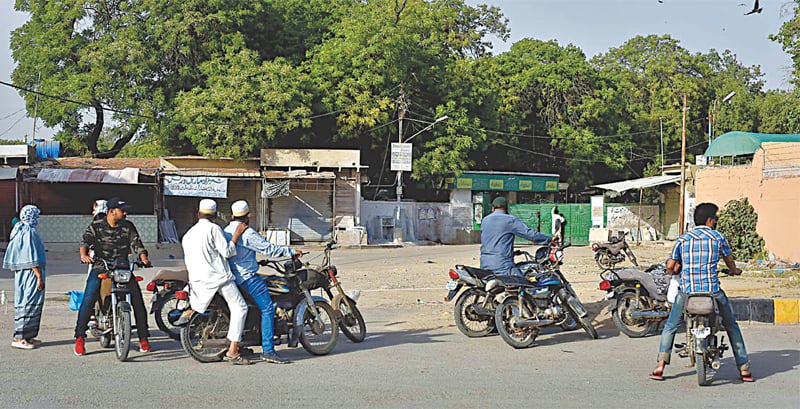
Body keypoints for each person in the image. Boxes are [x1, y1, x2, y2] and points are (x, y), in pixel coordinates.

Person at [649, 202, 753, 382]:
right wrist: (735, 271)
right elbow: (730, 263)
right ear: (710, 220)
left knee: (671, 326)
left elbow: (671, 266)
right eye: (716, 218)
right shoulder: (718, 238)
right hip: (712, 291)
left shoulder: (683, 239)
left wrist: (674, 269)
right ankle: (743, 368)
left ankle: (660, 366)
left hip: (688, 291)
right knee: (731, 325)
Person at [224, 200, 300, 364]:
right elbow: (269, 249)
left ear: (232, 216)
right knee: (267, 308)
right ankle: (268, 350)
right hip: (247, 278)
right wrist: (291, 251)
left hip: (232, 277)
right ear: (248, 216)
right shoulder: (247, 232)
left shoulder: (226, 230)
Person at [74, 197, 153, 356]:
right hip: (100, 266)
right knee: (88, 298)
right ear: (111, 211)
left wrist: (143, 258)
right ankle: (80, 337)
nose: (125, 213)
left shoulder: (128, 226)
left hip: (122, 267)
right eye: (122, 210)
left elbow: (137, 244)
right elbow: (85, 241)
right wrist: (83, 255)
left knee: (137, 301)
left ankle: (143, 337)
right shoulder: (96, 226)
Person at [181, 199, 251, 365]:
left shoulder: (189, 234)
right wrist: (236, 235)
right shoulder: (214, 229)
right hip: (218, 279)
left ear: (198, 214)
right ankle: (233, 351)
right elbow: (227, 252)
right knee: (240, 307)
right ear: (214, 216)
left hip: (197, 280)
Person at [3, 205, 46, 350]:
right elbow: (30, 255)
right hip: (30, 273)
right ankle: (20, 337)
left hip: (23, 273)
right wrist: (39, 276)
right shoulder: (28, 232)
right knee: (28, 302)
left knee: (27, 302)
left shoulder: (19, 230)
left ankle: (28, 335)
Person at [480, 197, 553, 276]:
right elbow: (530, 234)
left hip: (484, 265)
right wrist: (550, 239)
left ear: (493, 208)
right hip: (503, 267)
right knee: (527, 283)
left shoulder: (485, 220)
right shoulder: (510, 220)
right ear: (506, 208)